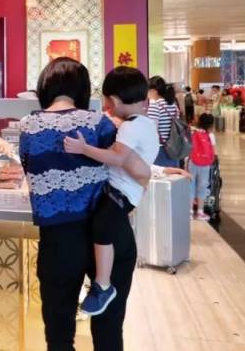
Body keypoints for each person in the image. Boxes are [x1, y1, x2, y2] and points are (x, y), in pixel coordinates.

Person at [20, 57, 136, 350]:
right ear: (82, 88)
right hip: (107, 234)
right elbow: (125, 167)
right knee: (109, 330)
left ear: (44, 87)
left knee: (59, 335)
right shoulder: (99, 122)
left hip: (59, 242)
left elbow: (28, 167)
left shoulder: (28, 126)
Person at [64, 67, 157, 317]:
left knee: (102, 227)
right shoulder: (143, 123)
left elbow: (117, 158)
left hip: (122, 191)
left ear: (113, 100)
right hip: (127, 190)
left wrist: (83, 148)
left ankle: (103, 285)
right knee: (102, 226)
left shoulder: (130, 128)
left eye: (106, 101)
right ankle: (101, 283)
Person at [147, 76, 181, 167]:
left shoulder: (155, 105)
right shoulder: (173, 105)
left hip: (161, 149)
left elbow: (151, 130)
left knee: (161, 175)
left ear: (154, 91)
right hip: (174, 147)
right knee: (173, 174)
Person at [188, 113, 216, 221]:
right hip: (205, 164)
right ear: (211, 124)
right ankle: (200, 212)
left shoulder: (193, 132)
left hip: (193, 161)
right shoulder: (210, 135)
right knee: (202, 187)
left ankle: (190, 212)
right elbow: (214, 151)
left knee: (191, 185)